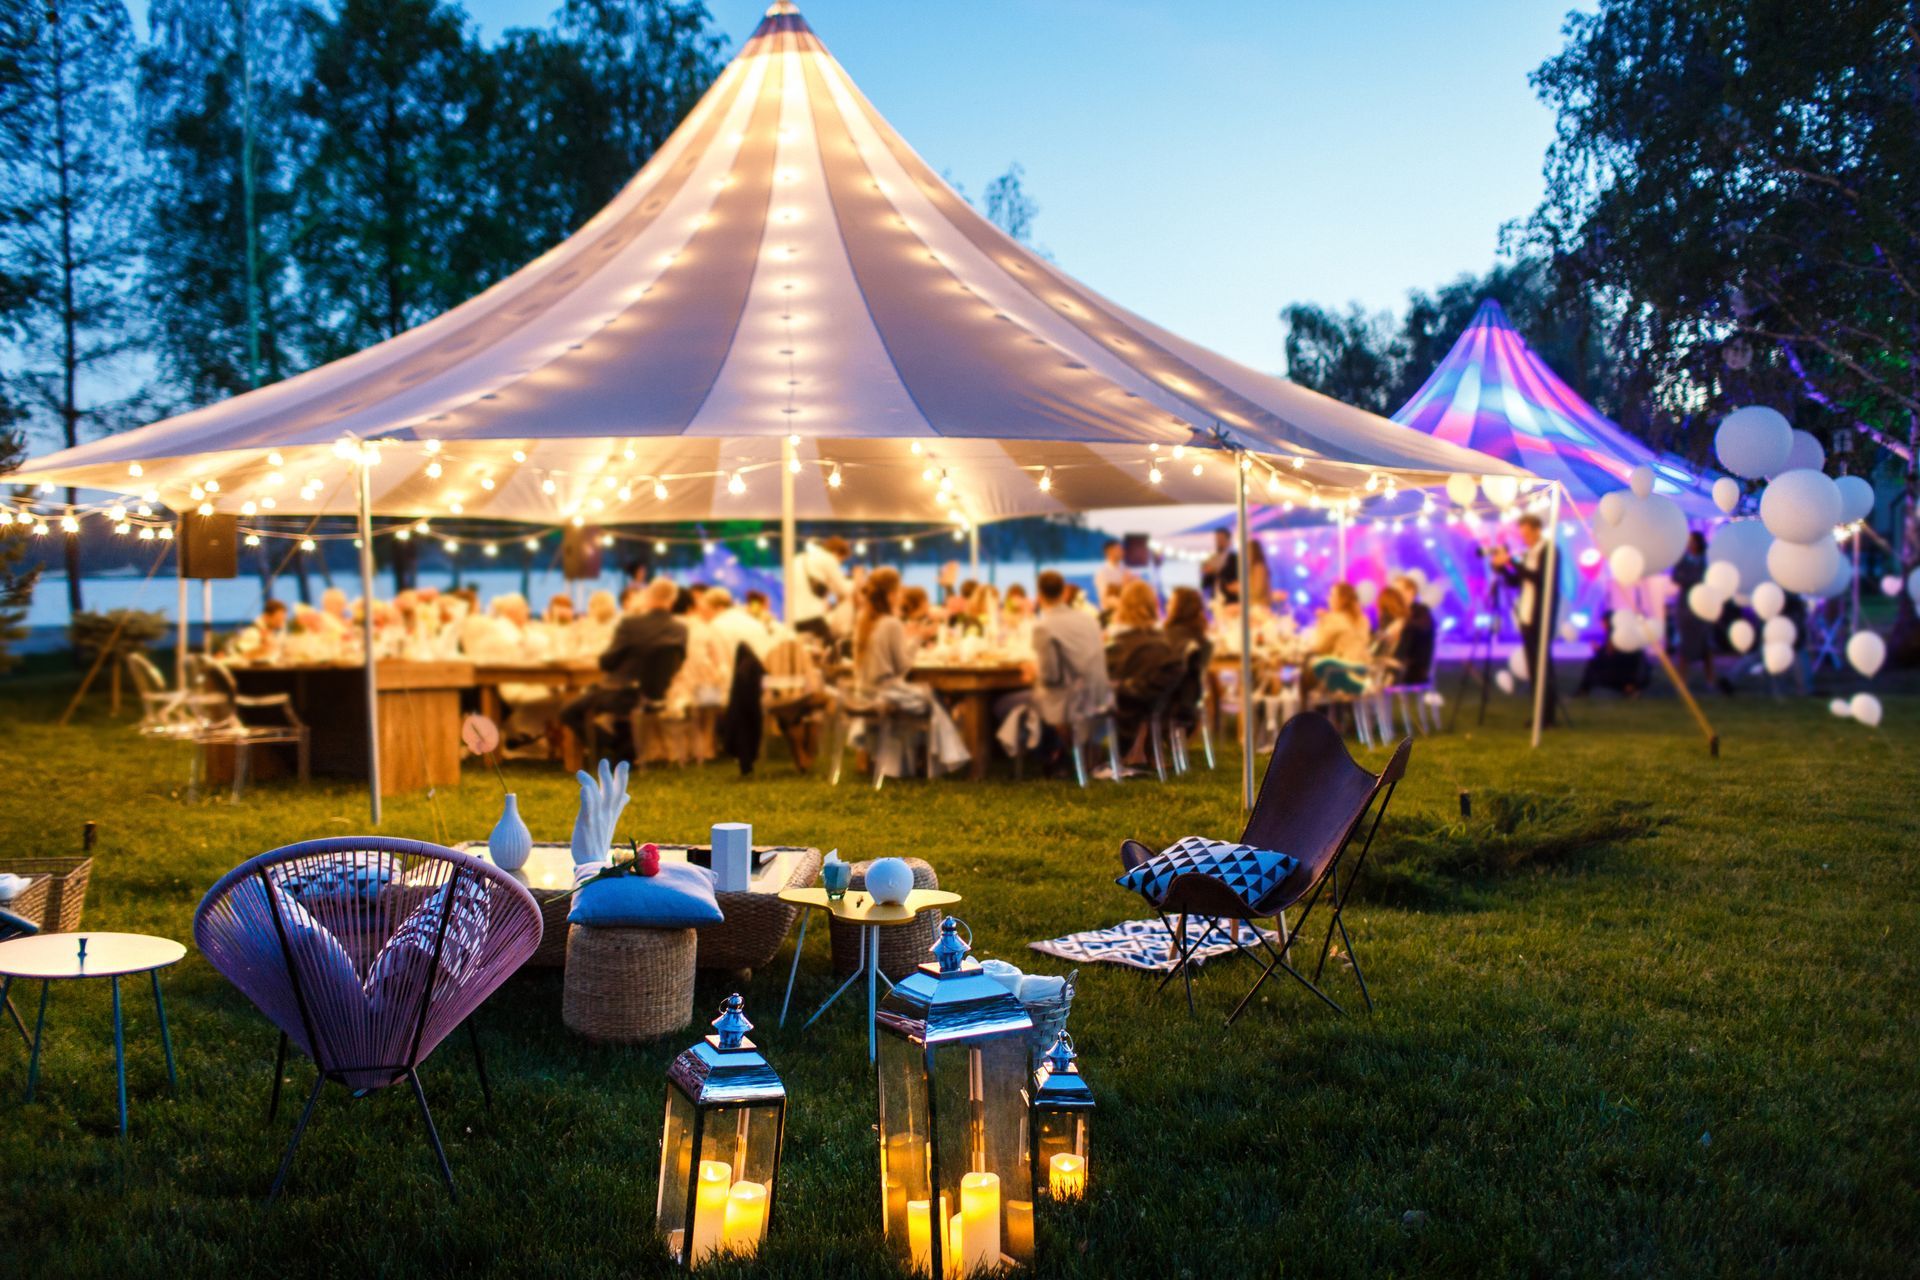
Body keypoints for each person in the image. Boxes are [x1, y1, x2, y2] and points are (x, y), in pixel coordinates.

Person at [996, 569, 1111, 771]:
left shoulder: (1044, 626)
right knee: (1032, 699)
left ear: (1039, 596)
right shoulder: (1089, 619)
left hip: (1069, 700)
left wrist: (1033, 672)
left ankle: (1053, 755)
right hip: (1099, 693)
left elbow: (1050, 677)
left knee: (1001, 704)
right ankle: (1057, 752)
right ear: (1064, 593)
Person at [558, 578, 687, 749]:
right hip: (658, 697)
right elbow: (677, 663)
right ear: (673, 599)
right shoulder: (680, 629)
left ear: (648, 597)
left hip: (621, 694)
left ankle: (615, 746)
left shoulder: (631, 624)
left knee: (568, 713)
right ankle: (625, 746)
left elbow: (607, 662)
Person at [1490, 513, 1561, 727]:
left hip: (1541, 616)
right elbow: (1519, 581)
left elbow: (1541, 579)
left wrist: (1511, 561)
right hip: (1527, 616)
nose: (1525, 538)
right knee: (1534, 666)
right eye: (1523, 535)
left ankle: (1546, 715)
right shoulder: (1529, 553)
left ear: (1537, 530)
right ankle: (1539, 713)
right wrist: (1503, 568)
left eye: (1528, 534)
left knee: (1542, 666)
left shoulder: (1549, 551)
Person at [1105, 580, 1183, 765]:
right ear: (1153, 604)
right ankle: (1143, 748)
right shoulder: (1165, 642)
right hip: (1160, 707)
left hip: (1125, 705)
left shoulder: (1117, 645)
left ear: (1122, 605)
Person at [1669, 531, 1731, 693]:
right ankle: (1682, 681)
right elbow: (1677, 577)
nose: (1691, 544)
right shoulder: (1682, 561)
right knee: (1684, 646)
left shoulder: (1706, 561)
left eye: (1693, 541)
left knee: (1706, 646)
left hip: (1704, 608)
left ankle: (1710, 679)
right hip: (1686, 608)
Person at [1305, 582, 1373, 695]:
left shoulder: (1334, 618)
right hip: (1363, 671)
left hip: (1342, 671)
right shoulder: (1363, 620)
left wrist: (1321, 623)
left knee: (1309, 668)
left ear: (1340, 599)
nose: (1328, 598)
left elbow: (1318, 646)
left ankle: (1305, 709)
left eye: (1331, 595)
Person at [790, 536, 852, 645]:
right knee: (830, 652)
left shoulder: (798, 558)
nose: (839, 564)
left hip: (793, 617)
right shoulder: (828, 559)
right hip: (812, 616)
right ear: (837, 553)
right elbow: (843, 590)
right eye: (841, 561)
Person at [1389, 576, 1437, 686]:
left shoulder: (1421, 610)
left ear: (1410, 592)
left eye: (1398, 592)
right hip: (1398, 665)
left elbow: (1424, 626)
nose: (1394, 596)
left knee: (1377, 675)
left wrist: (1403, 624)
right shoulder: (1394, 613)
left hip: (1413, 668)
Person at [1093, 540, 1132, 615]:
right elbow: (1105, 598)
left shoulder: (1124, 568)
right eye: (1118, 549)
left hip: (1124, 611)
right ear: (1109, 552)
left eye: (1122, 549)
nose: (1122, 552)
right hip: (1110, 613)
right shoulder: (1103, 572)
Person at [1200, 529, 1237, 601]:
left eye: (1221, 539)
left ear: (1228, 540)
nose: (1218, 542)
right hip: (1215, 598)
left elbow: (1234, 580)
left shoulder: (1235, 559)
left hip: (1230, 600)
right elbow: (1205, 584)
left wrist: (1215, 571)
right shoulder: (1212, 559)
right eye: (1217, 539)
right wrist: (1206, 573)